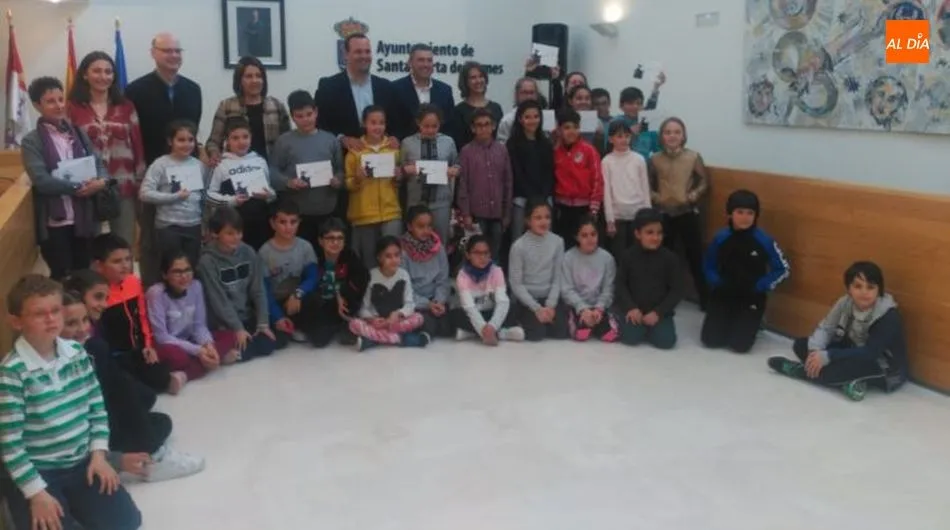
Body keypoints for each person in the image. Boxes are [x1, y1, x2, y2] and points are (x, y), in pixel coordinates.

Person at [0, 275, 142, 530]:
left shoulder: (77, 353)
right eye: (38, 314)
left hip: (82, 462)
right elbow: (10, 445)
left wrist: (99, 456)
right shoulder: (11, 373)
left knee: (127, 522)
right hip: (41, 472)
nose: (51, 319)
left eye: (55, 311)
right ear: (16, 321)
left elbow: (97, 410)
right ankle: (22, 505)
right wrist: (36, 493)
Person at [63, 285, 205, 483]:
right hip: (86, 435)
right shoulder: (79, 353)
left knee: (161, 420)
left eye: (85, 320)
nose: (82, 329)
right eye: (71, 324)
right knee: (120, 380)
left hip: (103, 424)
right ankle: (153, 456)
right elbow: (102, 402)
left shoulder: (84, 346)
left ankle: (139, 449)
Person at [125, 32, 202, 287]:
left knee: (188, 240)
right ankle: (152, 294)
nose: (173, 56)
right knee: (151, 241)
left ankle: (186, 294)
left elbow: (193, 133)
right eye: (167, 50)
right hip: (151, 173)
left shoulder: (193, 90)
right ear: (153, 52)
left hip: (187, 177)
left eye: (177, 51)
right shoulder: (135, 90)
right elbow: (131, 136)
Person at [768, 261, 908, 401]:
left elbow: (870, 353)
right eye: (858, 286)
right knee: (801, 344)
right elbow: (827, 328)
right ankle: (844, 381)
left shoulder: (888, 315)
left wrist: (829, 356)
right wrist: (814, 352)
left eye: (870, 287)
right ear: (849, 289)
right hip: (853, 350)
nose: (864, 292)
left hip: (883, 366)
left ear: (879, 290)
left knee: (833, 372)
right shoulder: (845, 302)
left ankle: (800, 371)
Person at [21, 76, 110, 280]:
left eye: (61, 99)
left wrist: (102, 182)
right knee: (62, 276)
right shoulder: (31, 141)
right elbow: (42, 181)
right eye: (50, 101)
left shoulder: (78, 132)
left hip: (85, 217)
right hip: (55, 223)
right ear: (37, 105)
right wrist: (79, 186)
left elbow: (99, 165)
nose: (58, 105)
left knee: (85, 273)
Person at [67, 51, 146, 247]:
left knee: (123, 243)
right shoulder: (72, 108)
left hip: (123, 186)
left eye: (108, 72)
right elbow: (67, 148)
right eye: (97, 71)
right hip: (88, 187)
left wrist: (140, 182)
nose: (103, 76)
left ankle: (124, 279)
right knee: (90, 246)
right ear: (85, 75)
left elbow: (137, 145)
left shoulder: (126, 106)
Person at [91, 233, 182, 394]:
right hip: (115, 357)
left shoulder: (133, 282)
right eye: (117, 261)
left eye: (128, 259)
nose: (125, 265)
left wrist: (148, 345)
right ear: (99, 266)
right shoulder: (96, 293)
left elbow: (142, 316)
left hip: (138, 351)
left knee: (164, 368)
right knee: (133, 388)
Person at [701, 189, 790, 353]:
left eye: (750, 213)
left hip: (751, 296)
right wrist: (716, 281)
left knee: (739, 346)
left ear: (756, 215)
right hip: (724, 293)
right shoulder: (720, 238)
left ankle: (754, 320)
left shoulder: (764, 240)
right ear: (730, 214)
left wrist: (760, 285)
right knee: (711, 341)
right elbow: (708, 264)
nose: (745, 217)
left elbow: (782, 269)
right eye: (739, 212)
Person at [197, 206, 277, 362]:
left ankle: (236, 351)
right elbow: (219, 301)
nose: (236, 238)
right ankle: (227, 352)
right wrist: (237, 328)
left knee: (270, 342)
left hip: (246, 315)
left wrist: (263, 324)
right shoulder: (207, 261)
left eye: (239, 233)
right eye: (230, 233)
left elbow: (258, 290)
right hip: (222, 323)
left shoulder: (248, 252)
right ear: (215, 233)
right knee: (244, 345)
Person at [148, 250, 241, 382]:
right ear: (164, 274)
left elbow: (199, 326)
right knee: (178, 358)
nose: (184, 276)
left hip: (190, 340)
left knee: (231, 336)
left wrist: (208, 345)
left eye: (188, 270)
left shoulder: (196, 286)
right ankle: (198, 368)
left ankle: (198, 366)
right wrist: (198, 351)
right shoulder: (156, 293)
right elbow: (161, 337)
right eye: (177, 272)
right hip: (168, 345)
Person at [649, 117, 710, 309]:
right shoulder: (655, 159)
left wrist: (692, 196)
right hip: (663, 215)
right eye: (667, 132)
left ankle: (705, 299)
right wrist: (657, 199)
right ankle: (661, 297)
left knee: (696, 257)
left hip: (687, 213)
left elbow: (704, 182)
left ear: (683, 135)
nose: (672, 136)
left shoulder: (693, 157)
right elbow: (647, 185)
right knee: (661, 257)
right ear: (661, 136)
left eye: (677, 132)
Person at [270, 90, 344, 246]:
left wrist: (338, 180)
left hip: (327, 211)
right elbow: (272, 172)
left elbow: (341, 170)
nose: (305, 120)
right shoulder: (284, 141)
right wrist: (288, 182)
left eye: (309, 114)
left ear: (316, 112)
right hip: (297, 214)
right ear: (292, 116)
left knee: (327, 254)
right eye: (299, 116)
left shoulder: (330, 140)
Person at [314, 33, 406, 146]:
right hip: (344, 156)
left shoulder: (386, 86)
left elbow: (399, 123)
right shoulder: (328, 86)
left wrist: (395, 137)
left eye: (367, 51)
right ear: (346, 54)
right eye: (358, 52)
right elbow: (320, 124)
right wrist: (342, 139)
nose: (364, 56)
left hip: (382, 155)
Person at [138, 119, 206, 269]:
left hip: (194, 225)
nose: (186, 144)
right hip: (169, 227)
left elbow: (204, 196)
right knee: (170, 268)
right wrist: (174, 197)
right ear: (170, 141)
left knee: (191, 267)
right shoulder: (160, 164)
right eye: (181, 140)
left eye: (190, 140)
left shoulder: (198, 165)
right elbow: (144, 193)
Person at [344, 106, 404, 269]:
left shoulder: (394, 150)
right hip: (364, 214)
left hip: (391, 212)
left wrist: (399, 177)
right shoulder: (355, 152)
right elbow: (347, 184)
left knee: (393, 260)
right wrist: (357, 179)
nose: (377, 127)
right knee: (368, 262)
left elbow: (399, 183)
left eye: (382, 123)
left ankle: (394, 292)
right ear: (364, 124)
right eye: (373, 122)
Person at [615, 208, 683, 349]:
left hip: (658, 312)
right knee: (629, 338)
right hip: (635, 310)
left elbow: (676, 290)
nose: (655, 238)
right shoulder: (628, 256)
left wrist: (658, 312)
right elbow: (620, 284)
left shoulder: (670, 259)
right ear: (638, 234)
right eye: (650, 233)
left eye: (659, 233)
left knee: (666, 342)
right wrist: (631, 308)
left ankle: (653, 327)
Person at [207, 116, 277, 250]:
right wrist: (232, 201)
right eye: (235, 138)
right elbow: (208, 196)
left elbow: (271, 192)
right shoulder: (221, 164)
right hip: (233, 226)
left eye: (245, 137)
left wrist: (268, 195)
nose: (241, 142)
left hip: (260, 223)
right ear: (227, 141)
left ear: (251, 138)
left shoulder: (259, 161)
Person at [349, 236, 430, 351]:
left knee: (419, 318)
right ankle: (403, 339)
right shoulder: (370, 276)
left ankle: (373, 340)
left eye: (397, 255)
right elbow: (363, 308)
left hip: (396, 322)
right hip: (377, 323)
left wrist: (398, 314)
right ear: (379, 258)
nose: (394, 260)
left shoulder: (404, 274)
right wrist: (372, 319)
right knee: (354, 323)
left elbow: (410, 304)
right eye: (388, 256)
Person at [206, 56, 291, 165]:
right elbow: (213, 142)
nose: (254, 80)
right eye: (249, 76)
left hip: (271, 169)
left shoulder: (277, 105)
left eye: (258, 76)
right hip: (237, 169)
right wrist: (214, 154)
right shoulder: (226, 106)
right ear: (239, 80)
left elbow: (288, 141)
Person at [259, 201, 320, 348]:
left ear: (299, 222)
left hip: (296, 298)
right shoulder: (264, 252)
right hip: (275, 303)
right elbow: (263, 291)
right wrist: (278, 317)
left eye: (293, 222)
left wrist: (298, 293)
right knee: (279, 342)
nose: (288, 227)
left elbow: (313, 276)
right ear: (273, 224)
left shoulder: (305, 247)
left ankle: (299, 326)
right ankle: (283, 324)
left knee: (315, 301)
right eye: (282, 222)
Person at [509, 199, 569, 341]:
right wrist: (536, 308)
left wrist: (550, 305)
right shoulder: (519, 246)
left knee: (561, 333)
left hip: (549, 298)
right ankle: (516, 322)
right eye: (538, 218)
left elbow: (558, 277)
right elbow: (516, 284)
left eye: (547, 217)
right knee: (537, 334)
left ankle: (543, 318)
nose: (544, 222)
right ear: (528, 221)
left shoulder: (558, 242)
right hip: (528, 300)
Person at [399, 104, 460, 243]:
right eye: (426, 126)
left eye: (435, 126)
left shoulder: (448, 142)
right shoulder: (407, 143)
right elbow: (399, 171)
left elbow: (457, 164)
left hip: (441, 202)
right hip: (416, 202)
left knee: (440, 242)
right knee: (414, 242)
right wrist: (405, 170)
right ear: (418, 123)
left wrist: (454, 170)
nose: (430, 130)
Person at [457, 108, 513, 257]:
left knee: (494, 252)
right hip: (476, 214)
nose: (483, 128)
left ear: (493, 126)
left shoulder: (502, 150)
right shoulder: (466, 152)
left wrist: (507, 213)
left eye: (487, 124)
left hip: (498, 213)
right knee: (476, 251)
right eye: (479, 125)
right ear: (473, 128)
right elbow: (463, 185)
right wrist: (466, 214)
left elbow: (508, 182)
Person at [452, 234, 525, 344]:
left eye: (486, 253)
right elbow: (469, 307)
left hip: (491, 313)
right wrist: (483, 328)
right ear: (468, 255)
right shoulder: (462, 276)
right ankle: (501, 333)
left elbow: (502, 302)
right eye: (477, 253)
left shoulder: (496, 271)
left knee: (513, 309)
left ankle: (472, 333)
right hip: (474, 314)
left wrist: (492, 326)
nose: (482, 257)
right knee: (454, 315)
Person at [311, 217, 369, 347]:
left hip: (346, 304)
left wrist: (341, 293)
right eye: (330, 238)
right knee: (318, 340)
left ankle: (346, 325)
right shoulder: (315, 258)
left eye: (340, 238)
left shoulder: (350, 256)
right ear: (321, 241)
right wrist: (334, 297)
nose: (335, 242)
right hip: (323, 304)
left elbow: (362, 279)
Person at [561, 216, 619, 342]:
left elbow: (609, 288)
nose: (590, 239)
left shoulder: (607, 258)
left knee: (609, 336)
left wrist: (599, 308)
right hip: (577, 305)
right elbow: (566, 289)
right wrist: (582, 308)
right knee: (581, 335)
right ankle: (578, 320)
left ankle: (601, 320)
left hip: (600, 306)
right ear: (577, 237)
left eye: (593, 234)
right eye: (584, 235)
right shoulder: (568, 258)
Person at [400, 205, 452, 338]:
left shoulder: (438, 248)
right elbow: (405, 288)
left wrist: (438, 301)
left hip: (436, 300)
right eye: (420, 226)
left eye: (429, 226)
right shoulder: (403, 253)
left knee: (452, 321)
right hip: (414, 302)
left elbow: (443, 280)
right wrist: (427, 304)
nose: (426, 230)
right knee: (426, 322)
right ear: (410, 227)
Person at [553, 108, 602, 247]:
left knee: (584, 245)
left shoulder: (589, 150)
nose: (571, 131)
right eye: (567, 127)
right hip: (562, 208)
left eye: (575, 127)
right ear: (559, 129)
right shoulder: (555, 151)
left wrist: (594, 207)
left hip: (584, 208)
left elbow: (597, 179)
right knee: (564, 244)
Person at [506, 99, 554, 238]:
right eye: (527, 117)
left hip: (544, 198)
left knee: (546, 237)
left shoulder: (546, 143)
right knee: (519, 237)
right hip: (521, 199)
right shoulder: (512, 144)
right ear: (520, 119)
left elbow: (549, 171)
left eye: (536, 116)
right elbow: (516, 173)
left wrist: (542, 197)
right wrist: (531, 196)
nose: (532, 121)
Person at [602, 121, 650, 257]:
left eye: (627, 136)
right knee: (619, 256)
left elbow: (645, 188)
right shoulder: (606, 161)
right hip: (618, 217)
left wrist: (648, 215)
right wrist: (609, 220)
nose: (624, 139)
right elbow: (606, 193)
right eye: (619, 136)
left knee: (638, 255)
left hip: (638, 214)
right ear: (611, 139)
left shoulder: (639, 159)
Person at [392, 43, 457, 138]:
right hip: (406, 150)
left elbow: (450, 127)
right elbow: (392, 125)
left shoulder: (445, 90)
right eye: (421, 60)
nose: (426, 64)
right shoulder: (395, 89)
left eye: (429, 60)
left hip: (438, 150)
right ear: (410, 62)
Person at [450, 62, 504, 148]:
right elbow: (458, 143)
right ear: (465, 82)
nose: (478, 81)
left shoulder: (496, 108)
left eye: (481, 76)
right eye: (473, 78)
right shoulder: (458, 111)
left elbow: (500, 139)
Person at [606, 81, 664, 157]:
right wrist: (629, 133)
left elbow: (660, 151)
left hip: (644, 166)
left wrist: (656, 88)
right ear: (621, 106)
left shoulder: (648, 124)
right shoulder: (615, 122)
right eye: (630, 103)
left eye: (639, 103)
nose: (635, 106)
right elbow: (608, 149)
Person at [496, 77, 543, 143]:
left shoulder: (545, 117)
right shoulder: (507, 121)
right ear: (516, 95)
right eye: (524, 93)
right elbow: (502, 149)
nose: (529, 97)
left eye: (532, 92)